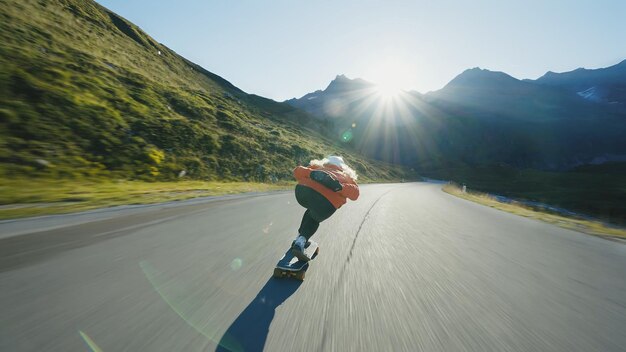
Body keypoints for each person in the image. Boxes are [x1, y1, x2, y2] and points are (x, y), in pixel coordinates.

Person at [291, 155, 360, 261]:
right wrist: (340, 187)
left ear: (325, 162)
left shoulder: (317, 166)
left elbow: (296, 171)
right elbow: (355, 194)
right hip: (326, 202)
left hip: (303, 192)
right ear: (343, 167)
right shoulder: (347, 176)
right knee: (315, 217)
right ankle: (301, 241)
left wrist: (311, 173)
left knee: (311, 211)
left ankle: (301, 237)